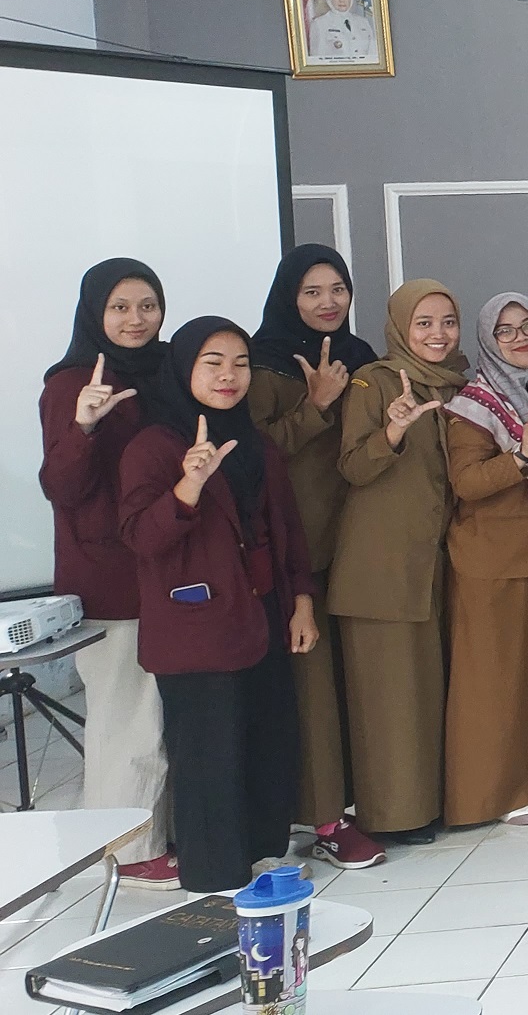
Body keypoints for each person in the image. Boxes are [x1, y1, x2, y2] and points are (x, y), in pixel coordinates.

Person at [116, 318, 319, 892]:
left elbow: (287, 529)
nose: (229, 376)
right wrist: (189, 484)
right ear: (184, 368)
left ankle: (259, 854)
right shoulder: (153, 446)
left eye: (240, 363)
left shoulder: (255, 442)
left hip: (263, 612)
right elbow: (140, 537)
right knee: (208, 756)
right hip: (195, 626)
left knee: (266, 738)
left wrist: (301, 601)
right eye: (213, 363)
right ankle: (213, 877)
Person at [245, 245, 387, 868]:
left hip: (359, 538)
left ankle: (371, 801)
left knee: (360, 682)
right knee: (314, 689)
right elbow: (253, 454)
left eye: (338, 289)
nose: (329, 302)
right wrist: (317, 406)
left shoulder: (361, 357)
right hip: (298, 546)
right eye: (312, 291)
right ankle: (325, 819)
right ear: (288, 296)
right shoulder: (263, 364)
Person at [40, 259, 177, 887]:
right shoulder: (71, 383)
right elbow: (62, 487)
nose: (136, 319)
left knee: (163, 715)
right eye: (120, 307)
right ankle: (125, 850)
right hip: (110, 579)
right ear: (95, 312)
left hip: (168, 564)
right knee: (127, 718)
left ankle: (161, 833)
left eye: (148, 305)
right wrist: (83, 426)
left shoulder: (167, 370)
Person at [441, 293, 528, 824]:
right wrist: (520, 454)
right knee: (495, 683)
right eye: (506, 331)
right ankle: (496, 793)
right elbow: (467, 483)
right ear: (488, 340)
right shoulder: (474, 405)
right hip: (493, 559)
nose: (521, 338)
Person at [334, 280, 466, 841]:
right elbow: (352, 467)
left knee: (426, 692)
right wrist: (392, 429)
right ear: (399, 327)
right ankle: (393, 816)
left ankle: (428, 806)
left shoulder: (460, 383)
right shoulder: (376, 381)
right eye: (424, 323)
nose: (438, 334)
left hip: (436, 563)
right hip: (382, 568)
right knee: (389, 700)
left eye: (447, 322)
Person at [307, 0, 377, 61]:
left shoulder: (363, 22)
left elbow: (373, 53)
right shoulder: (319, 24)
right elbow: (317, 58)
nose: (342, 0)